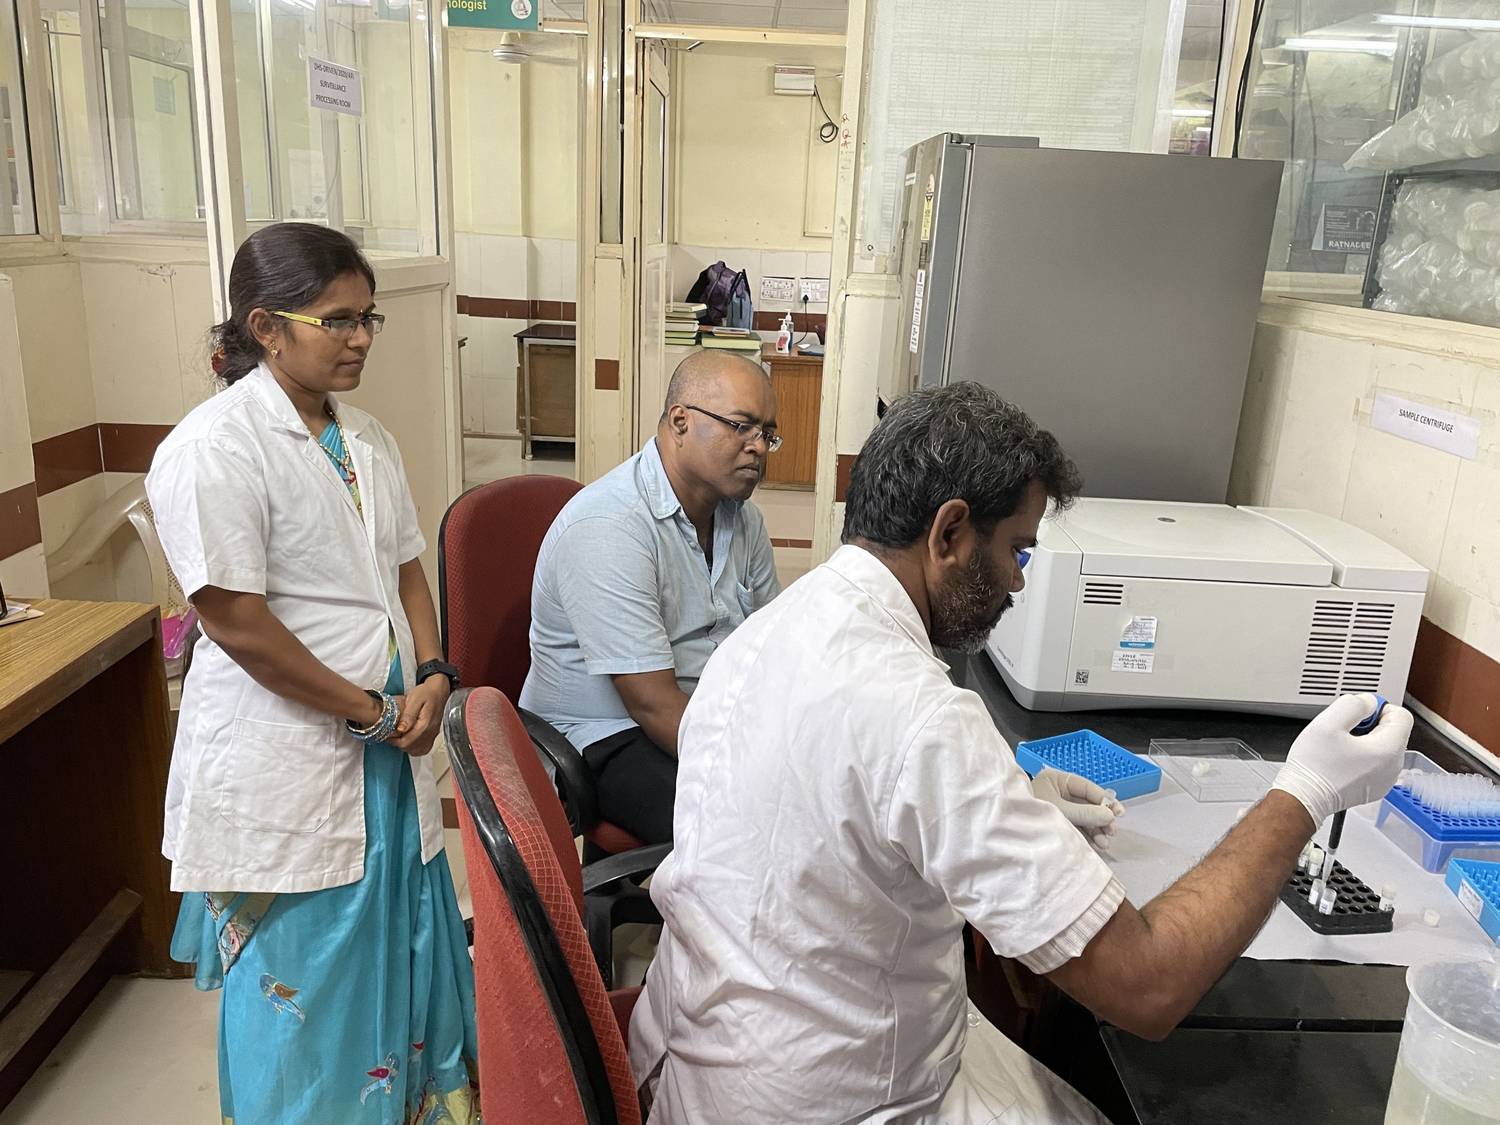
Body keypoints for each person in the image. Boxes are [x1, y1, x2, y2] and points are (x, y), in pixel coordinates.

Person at [628, 382, 1413, 1123]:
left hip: (712, 1056)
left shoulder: (774, 626)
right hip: (833, 1099)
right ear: (949, 531)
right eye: (1018, 550)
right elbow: (1149, 985)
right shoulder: (921, 714)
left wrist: (1008, 804)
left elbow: (830, 810)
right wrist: (1306, 790)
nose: (1018, 581)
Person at [147, 223, 478, 1123]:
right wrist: (368, 707)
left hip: (386, 746)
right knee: (303, 985)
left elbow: (407, 564)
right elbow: (238, 623)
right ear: (266, 326)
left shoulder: (363, 434)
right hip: (291, 755)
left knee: (391, 953)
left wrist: (435, 671)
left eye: (368, 316)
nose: (362, 336)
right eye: (338, 319)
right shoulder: (214, 448)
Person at [519, 350, 781, 845]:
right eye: (741, 426)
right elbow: (652, 704)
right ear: (680, 421)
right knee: (751, 834)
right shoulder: (610, 525)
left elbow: (775, 652)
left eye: (767, 434)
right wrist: (758, 767)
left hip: (699, 711)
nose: (759, 448)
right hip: (607, 736)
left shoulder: (744, 522)